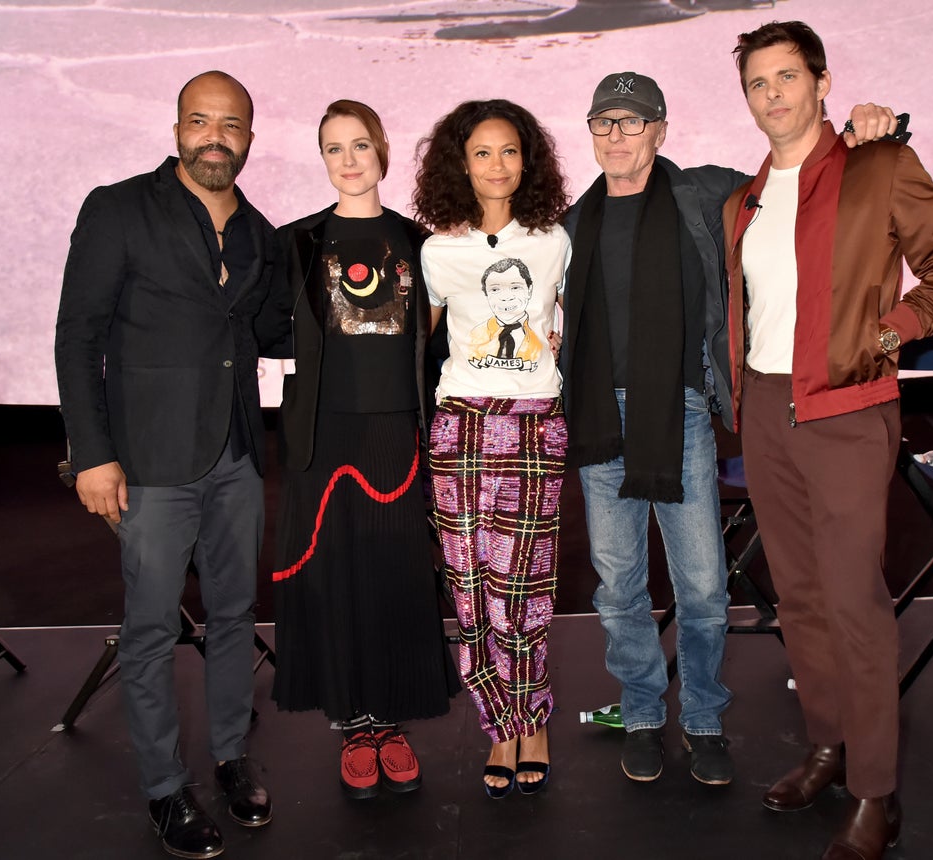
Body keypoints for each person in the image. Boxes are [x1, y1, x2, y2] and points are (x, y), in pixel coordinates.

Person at [562, 70, 899, 786]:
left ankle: (706, 716)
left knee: (705, 587)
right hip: (597, 419)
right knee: (618, 585)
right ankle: (645, 711)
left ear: (661, 130)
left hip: (680, 411)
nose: (616, 135)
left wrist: (871, 132)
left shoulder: (707, 195)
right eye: (603, 122)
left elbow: (801, 172)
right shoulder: (569, 224)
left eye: (632, 121)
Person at [724, 21, 933, 860]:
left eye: (787, 77)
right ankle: (828, 748)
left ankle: (877, 792)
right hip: (765, 411)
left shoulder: (879, 165)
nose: (773, 95)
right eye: (758, 83)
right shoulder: (745, 198)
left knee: (854, 603)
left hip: (845, 411)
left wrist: (894, 328)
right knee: (797, 599)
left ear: (823, 81)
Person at [55, 70, 274, 859]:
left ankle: (228, 756)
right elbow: (77, 336)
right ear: (178, 127)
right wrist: (93, 455)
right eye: (200, 121)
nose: (215, 136)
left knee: (236, 617)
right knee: (149, 630)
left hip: (236, 454)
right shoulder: (117, 208)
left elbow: (262, 332)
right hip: (145, 462)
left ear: (250, 135)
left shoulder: (258, 229)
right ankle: (163, 789)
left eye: (232, 125)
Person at [254, 99, 459, 802]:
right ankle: (353, 725)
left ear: (383, 151)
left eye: (359, 145)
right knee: (335, 576)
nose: (348, 159)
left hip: (393, 428)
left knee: (395, 574)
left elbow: (438, 341)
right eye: (334, 147)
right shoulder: (296, 242)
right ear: (324, 159)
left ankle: (391, 721)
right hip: (321, 431)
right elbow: (259, 325)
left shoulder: (417, 241)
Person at [412, 99, 570, 799]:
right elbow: (418, 339)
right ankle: (499, 727)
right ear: (460, 163)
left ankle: (533, 719)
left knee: (525, 592)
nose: (497, 165)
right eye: (482, 152)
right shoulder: (438, 250)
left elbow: (566, 320)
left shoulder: (554, 241)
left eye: (510, 150)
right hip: (461, 432)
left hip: (534, 429)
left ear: (527, 160)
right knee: (473, 595)